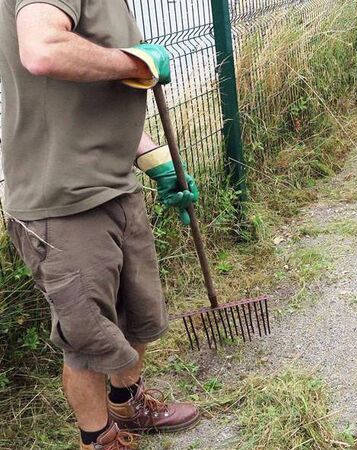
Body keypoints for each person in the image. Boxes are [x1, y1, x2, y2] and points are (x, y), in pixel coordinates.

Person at [1, 1, 202, 448]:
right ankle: (99, 438)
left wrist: (160, 163)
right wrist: (134, 61)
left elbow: (98, 104)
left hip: (115, 187)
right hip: (63, 201)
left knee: (141, 314)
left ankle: (127, 404)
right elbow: (44, 49)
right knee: (89, 339)